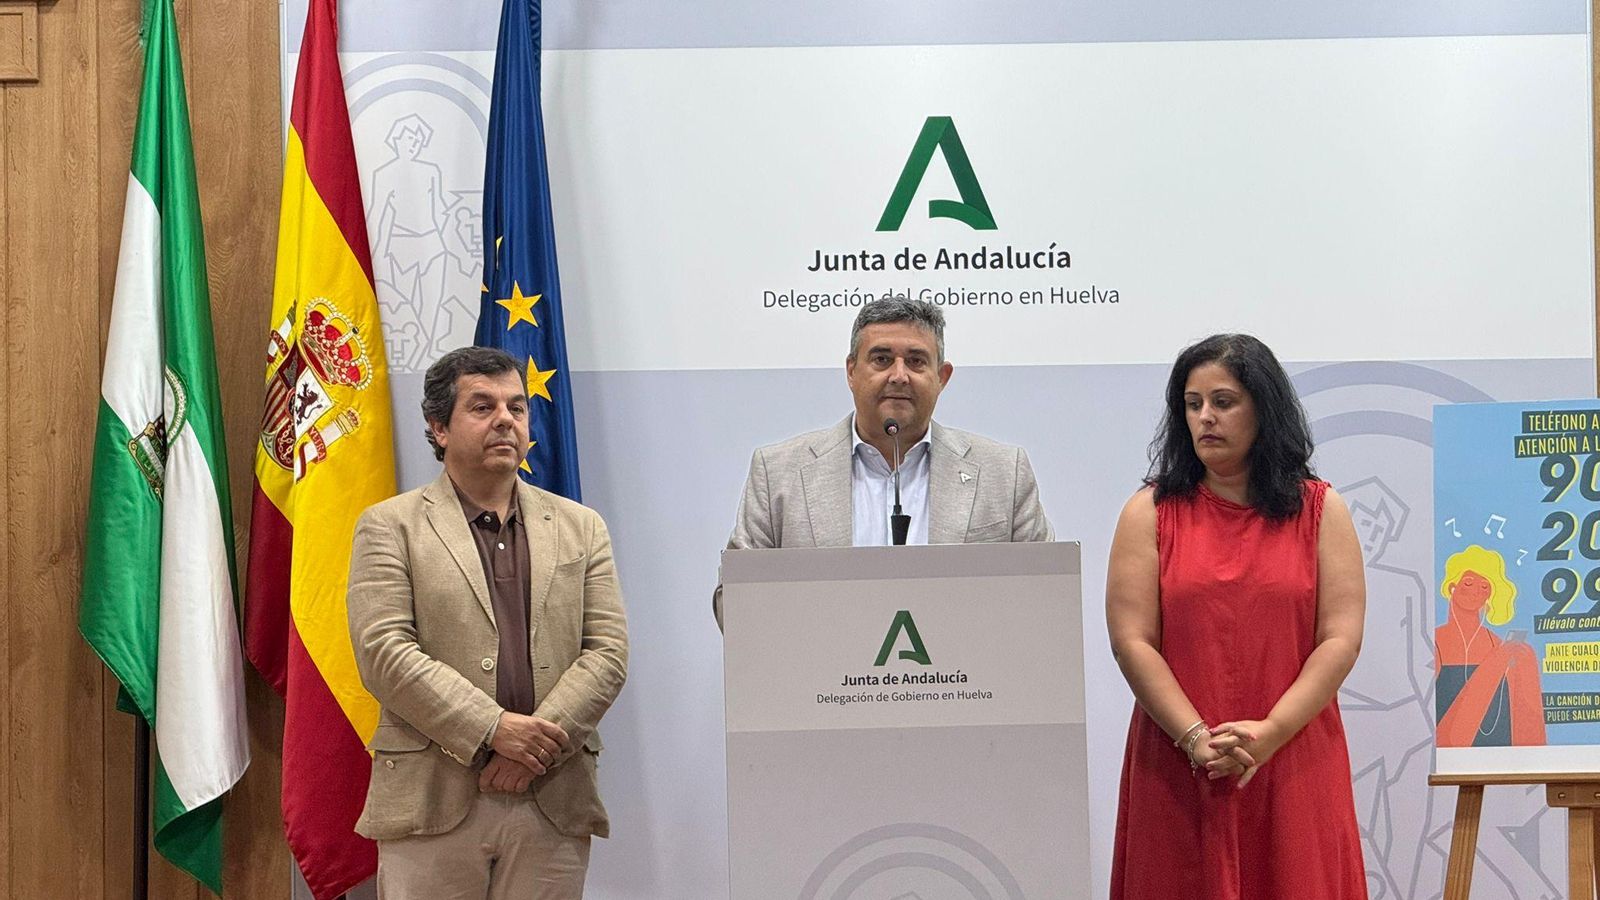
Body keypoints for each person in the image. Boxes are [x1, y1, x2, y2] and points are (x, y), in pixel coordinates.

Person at [347, 346, 628, 898]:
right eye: (482, 407)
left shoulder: (582, 526)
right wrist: (494, 730)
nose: (505, 419)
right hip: (434, 798)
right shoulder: (390, 526)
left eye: (516, 407)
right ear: (439, 428)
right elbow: (384, 652)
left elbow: (608, 653)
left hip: (552, 797)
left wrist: (532, 751)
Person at [1105, 333, 1367, 898]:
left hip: (1292, 755)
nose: (1205, 417)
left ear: (1263, 409)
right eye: (1193, 404)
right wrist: (1195, 738)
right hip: (1177, 760)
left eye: (1223, 402)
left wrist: (1271, 733)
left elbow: (1340, 639)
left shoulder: (1322, 509)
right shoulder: (1148, 512)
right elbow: (1132, 641)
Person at [715, 296, 1053, 625]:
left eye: (916, 361)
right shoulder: (778, 472)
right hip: (823, 663)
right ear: (851, 371)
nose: (899, 375)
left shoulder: (1004, 473)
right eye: (881, 359)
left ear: (942, 377)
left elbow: (1048, 596)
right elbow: (733, 604)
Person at [1434, 544, 1545, 747]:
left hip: (1500, 756)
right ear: (1452, 586)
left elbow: (1525, 722)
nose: (1476, 591)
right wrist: (1494, 665)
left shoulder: (1500, 645)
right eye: (1468, 582)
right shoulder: (1435, 642)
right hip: (1451, 757)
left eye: (1485, 586)